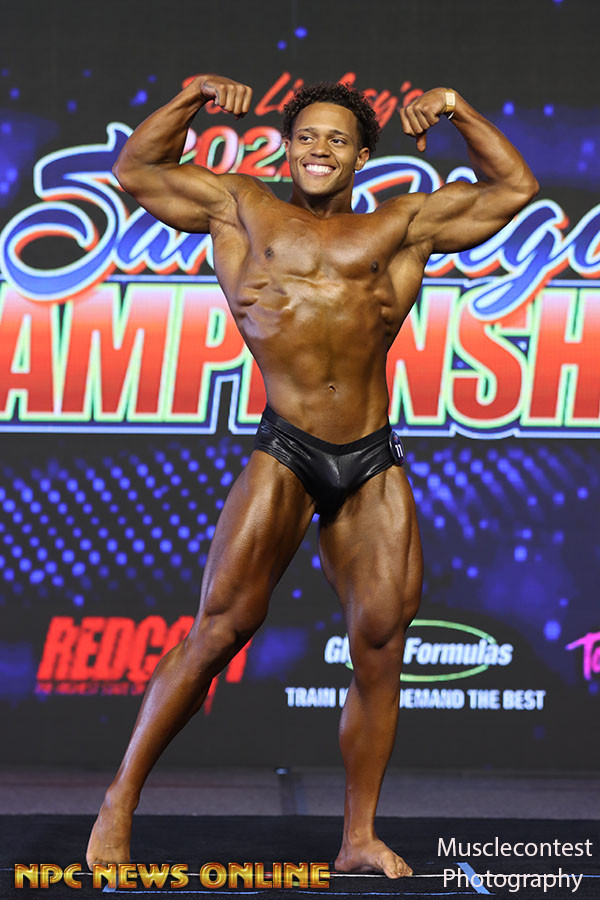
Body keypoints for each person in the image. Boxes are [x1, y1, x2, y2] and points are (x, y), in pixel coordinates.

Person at [86, 74, 538, 878]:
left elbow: (515, 188)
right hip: (287, 446)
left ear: (362, 157)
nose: (318, 148)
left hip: (370, 457)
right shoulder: (241, 208)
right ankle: (118, 802)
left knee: (380, 644)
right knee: (221, 628)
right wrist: (191, 97)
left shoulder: (402, 225)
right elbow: (137, 169)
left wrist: (460, 108)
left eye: (336, 138)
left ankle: (358, 837)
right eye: (305, 136)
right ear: (286, 149)